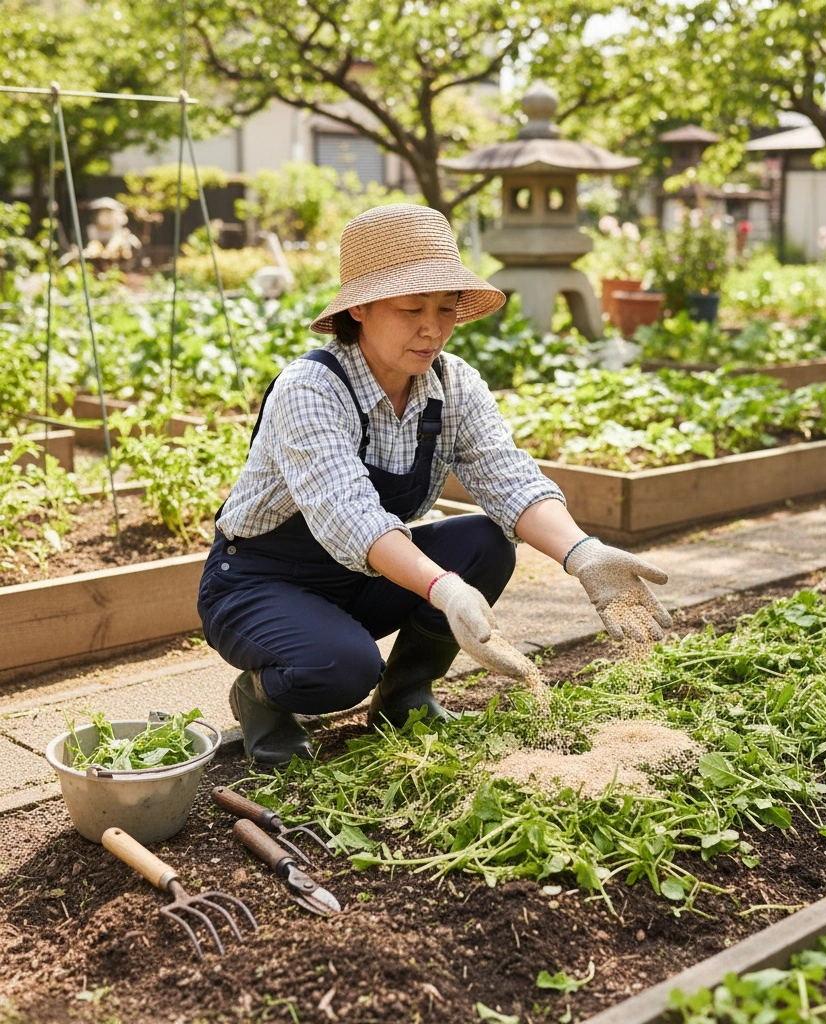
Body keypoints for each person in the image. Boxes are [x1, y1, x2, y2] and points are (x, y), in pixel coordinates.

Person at [197, 204, 673, 764]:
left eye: (447, 308)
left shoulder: (452, 383)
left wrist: (584, 554)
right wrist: (442, 589)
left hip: (361, 579)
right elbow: (350, 515)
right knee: (340, 669)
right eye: (411, 309)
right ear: (361, 308)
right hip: (262, 583)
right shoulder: (311, 389)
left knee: (485, 543)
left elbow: (507, 476)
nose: (433, 328)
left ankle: (404, 696)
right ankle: (260, 697)